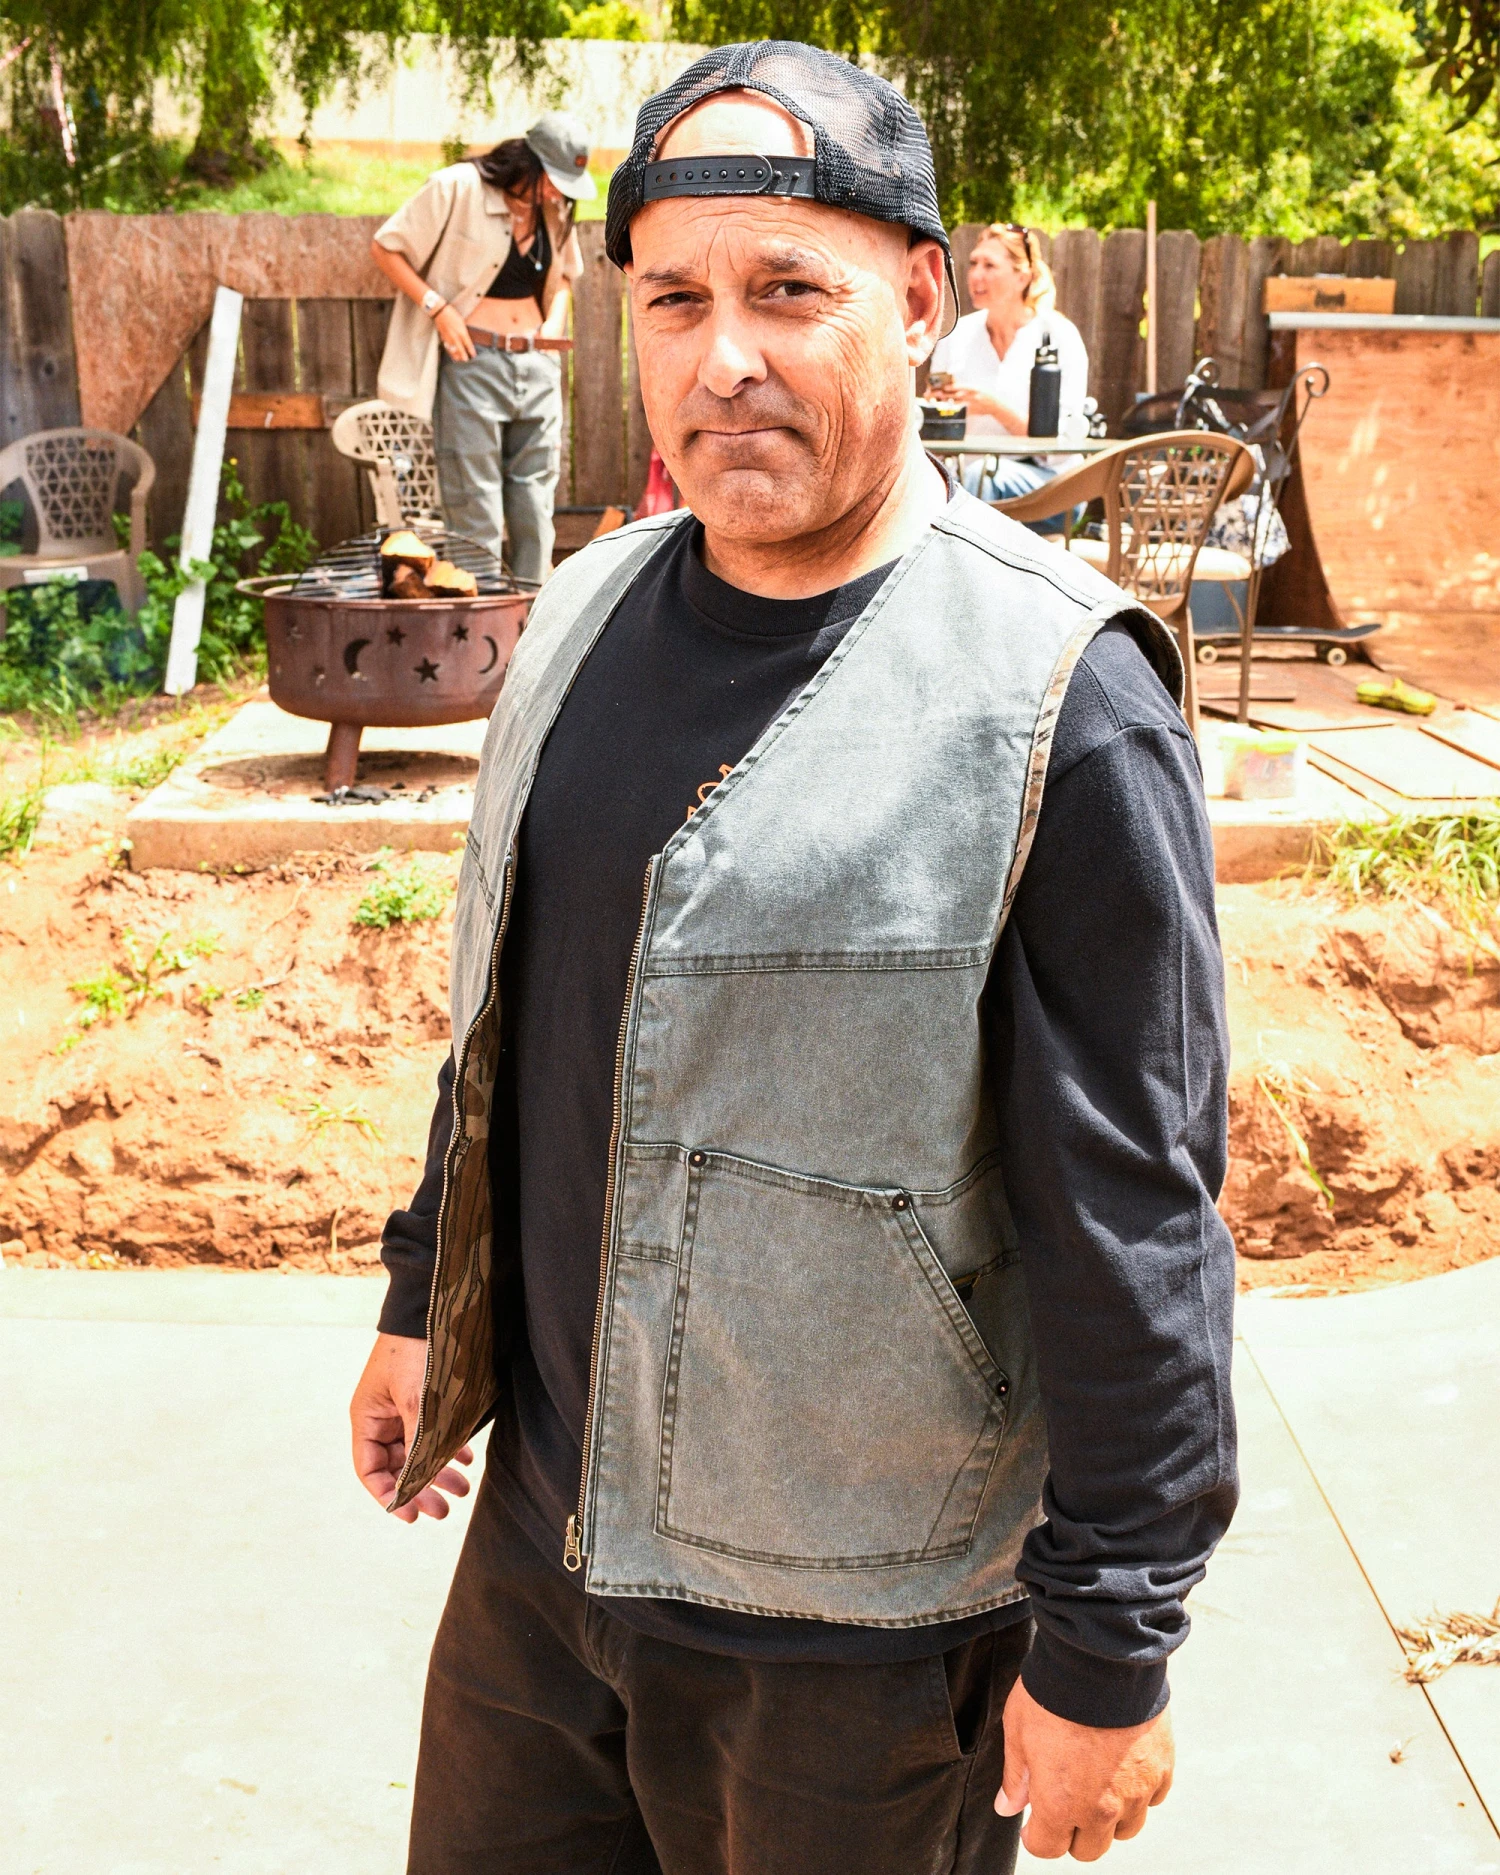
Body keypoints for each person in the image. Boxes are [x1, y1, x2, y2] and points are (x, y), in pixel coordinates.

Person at [350, 41, 1238, 1875]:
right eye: (674, 301)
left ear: (916, 300)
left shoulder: (1060, 704)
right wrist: (424, 1292)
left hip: (861, 1639)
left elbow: (1137, 1216)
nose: (722, 358)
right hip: (542, 1564)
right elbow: (515, 1017)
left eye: (786, 291)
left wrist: (1109, 1646)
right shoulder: (579, 614)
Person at [370, 113, 594, 583]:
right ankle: (483, 615)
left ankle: (535, 612)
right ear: (529, 162)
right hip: (472, 361)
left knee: (535, 504)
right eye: (553, 180)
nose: (559, 193)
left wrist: (552, 326)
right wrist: (438, 309)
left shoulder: (554, 208)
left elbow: (566, 278)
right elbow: (386, 248)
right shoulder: (455, 188)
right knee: (476, 505)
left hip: (538, 365)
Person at [930, 223, 1090, 520]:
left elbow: (1062, 443)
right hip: (967, 480)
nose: (976, 275)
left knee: (981, 480)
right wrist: (937, 412)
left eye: (990, 265)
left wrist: (993, 407)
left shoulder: (1058, 336)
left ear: (1022, 277)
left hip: (1049, 485)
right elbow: (937, 429)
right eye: (974, 263)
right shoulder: (957, 335)